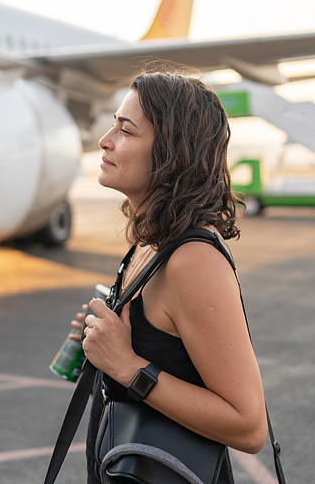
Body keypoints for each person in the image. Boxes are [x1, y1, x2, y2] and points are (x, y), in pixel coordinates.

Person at [72, 72, 267, 483]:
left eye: (126, 130)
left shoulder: (192, 260)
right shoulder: (150, 241)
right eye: (113, 125)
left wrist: (127, 366)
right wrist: (101, 348)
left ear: (171, 153)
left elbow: (248, 426)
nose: (105, 140)